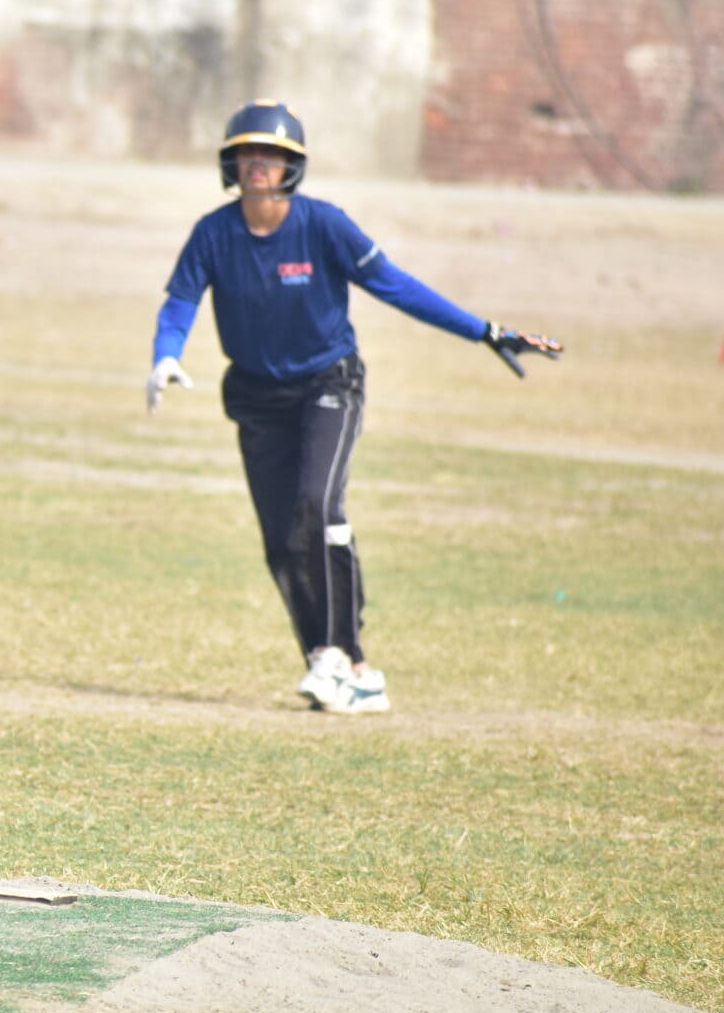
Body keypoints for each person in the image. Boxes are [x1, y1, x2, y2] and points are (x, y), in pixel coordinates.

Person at [145, 101, 561, 714]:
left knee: (318, 504)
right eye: (247, 153)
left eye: (272, 155)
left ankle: (340, 656)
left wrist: (484, 330)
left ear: (293, 166)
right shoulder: (214, 232)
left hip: (328, 384)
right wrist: (165, 355)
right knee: (282, 541)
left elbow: (397, 286)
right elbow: (180, 300)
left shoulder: (324, 226)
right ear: (230, 162)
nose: (258, 164)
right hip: (257, 398)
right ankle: (337, 663)